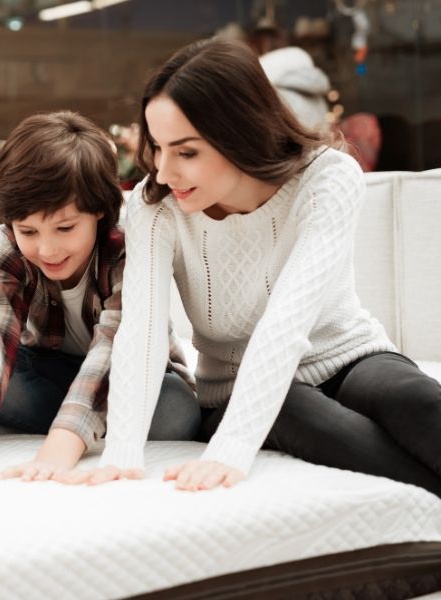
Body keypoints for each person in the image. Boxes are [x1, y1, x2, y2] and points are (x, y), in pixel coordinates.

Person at [67, 38, 441, 496]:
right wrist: (123, 452)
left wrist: (232, 451)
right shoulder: (155, 207)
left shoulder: (328, 178)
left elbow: (286, 323)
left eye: (186, 152)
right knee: (316, 420)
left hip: (351, 357)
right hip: (234, 388)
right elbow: (141, 331)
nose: (164, 172)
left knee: (414, 399)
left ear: (240, 133)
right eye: (159, 148)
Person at [0, 111, 199, 483]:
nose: (47, 249)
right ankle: (85, 419)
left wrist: (56, 453)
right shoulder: (5, 245)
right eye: (28, 231)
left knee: (176, 411)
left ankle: (79, 423)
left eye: (65, 228)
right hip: (47, 369)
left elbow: (113, 352)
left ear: (99, 212)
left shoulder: (129, 244)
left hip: (133, 374)